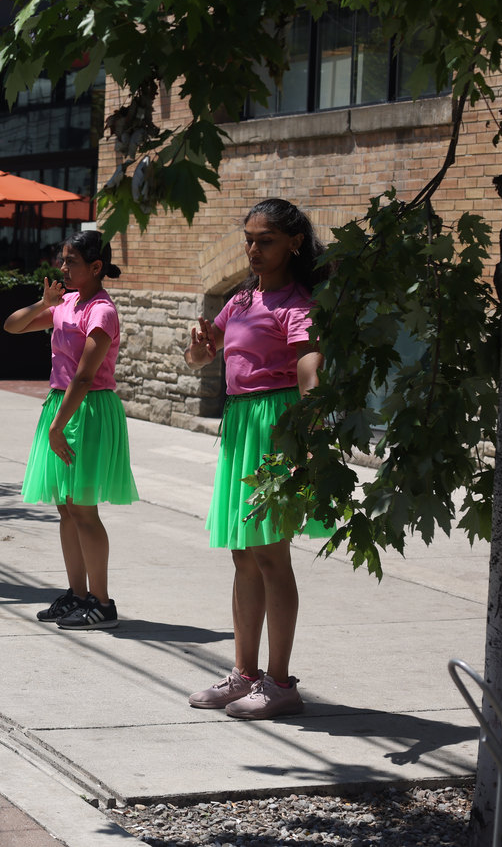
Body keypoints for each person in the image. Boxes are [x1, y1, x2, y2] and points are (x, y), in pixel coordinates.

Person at [183, 198, 334, 720]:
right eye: (248, 238)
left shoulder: (298, 304)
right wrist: (200, 344)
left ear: (294, 243)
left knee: (271, 555)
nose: (252, 248)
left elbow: (310, 373)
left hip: (275, 428)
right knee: (243, 554)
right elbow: (203, 356)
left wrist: (307, 445)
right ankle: (244, 674)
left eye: (264, 239)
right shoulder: (243, 298)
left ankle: (281, 683)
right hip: (241, 424)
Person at [4, 229, 138, 629]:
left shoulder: (101, 311)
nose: (62, 268)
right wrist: (42, 304)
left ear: (96, 267)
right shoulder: (67, 302)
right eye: (62, 259)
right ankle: (77, 595)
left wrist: (57, 427)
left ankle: (102, 602)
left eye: (71, 261)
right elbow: (12, 327)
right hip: (61, 407)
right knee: (66, 507)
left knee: (83, 509)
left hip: (87, 409)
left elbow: (84, 376)